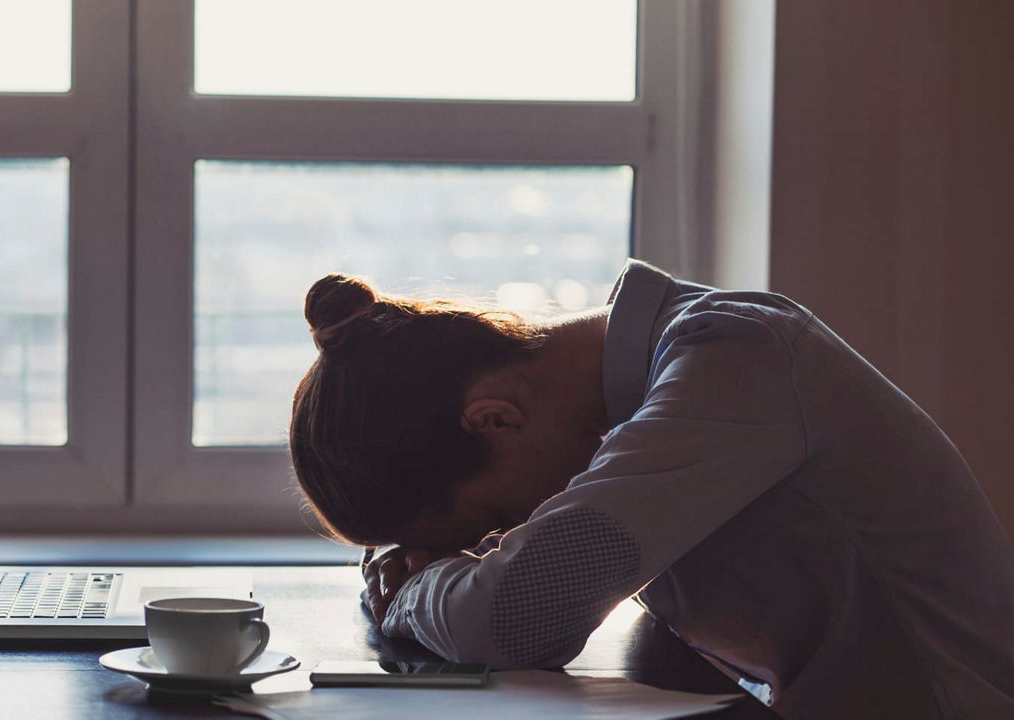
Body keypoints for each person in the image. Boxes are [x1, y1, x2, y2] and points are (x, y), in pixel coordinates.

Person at [289, 259, 1014, 719]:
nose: (505, 539)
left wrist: (411, 595)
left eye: (498, 519)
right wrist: (407, 559)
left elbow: (516, 617)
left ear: (494, 420)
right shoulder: (644, 394)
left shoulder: (735, 361)